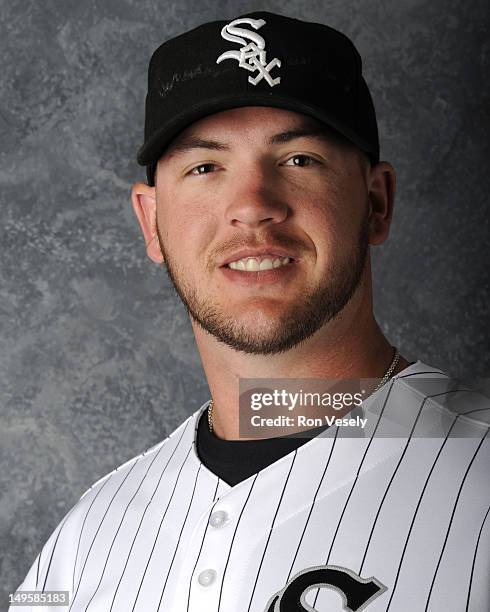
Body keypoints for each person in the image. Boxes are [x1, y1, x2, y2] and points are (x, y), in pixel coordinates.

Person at [10, 11, 489, 612]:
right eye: (205, 167)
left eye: (298, 160)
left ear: (376, 202)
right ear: (151, 222)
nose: (253, 207)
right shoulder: (87, 540)